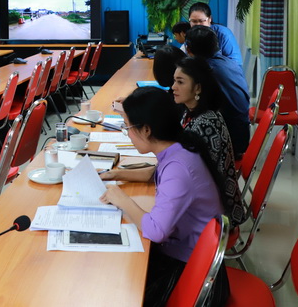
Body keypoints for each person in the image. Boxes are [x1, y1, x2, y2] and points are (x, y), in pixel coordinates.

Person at [99, 87, 228, 306]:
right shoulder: (179, 148)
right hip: (189, 253)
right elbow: (155, 173)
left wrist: (122, 200)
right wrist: (116, 174)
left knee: (114, 281)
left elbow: (156, 231)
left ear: (146, 129)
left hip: (191, 271)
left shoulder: (178, 168)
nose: (128, 134)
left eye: (128, 127)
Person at [172, 57, 246, 227]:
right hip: (204, 202)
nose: (173, 87)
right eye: (174, 81)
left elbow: (190, 176)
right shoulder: (192, 113)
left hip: (215, 217)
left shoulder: (205, 125)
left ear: (198, 87)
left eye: (180, 82)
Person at [185, 26, 251, 157]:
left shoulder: (207, 71)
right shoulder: (229, 63)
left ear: (189, 50)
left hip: (226, 144)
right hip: (240, 136)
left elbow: (195, 107)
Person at [188, 2, 242, 66]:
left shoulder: (223, 33)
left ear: (210, 19)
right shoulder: (190, 35)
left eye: (201, 21)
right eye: (194, 21)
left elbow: (235, 63)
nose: (198, 25)